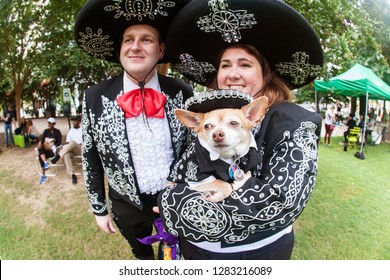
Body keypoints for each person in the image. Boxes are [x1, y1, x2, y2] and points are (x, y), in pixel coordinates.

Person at [157, 0, 323, 260]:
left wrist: (170, 204)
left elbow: (281, 203)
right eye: (225, 65)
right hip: (194, 252)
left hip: (256, 255)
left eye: (245, 65)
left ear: (265, 73)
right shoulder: (210, 118)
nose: (233, 74)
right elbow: (184, 172)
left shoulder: (294, 122)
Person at [74, 0, 193, 259]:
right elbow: (90, 157)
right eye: (128, 40)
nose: (135, 46)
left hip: (174, 198)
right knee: (141, 256)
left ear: (161, 50)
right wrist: (99, 209)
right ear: (120, 50)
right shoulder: (94, 96)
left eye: (146, 40)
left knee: (175, 255)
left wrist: (184, 190)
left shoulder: (182, 92)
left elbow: (192, 149)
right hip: (125, 205)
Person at [51, 115, 82, 185]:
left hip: (80, 148)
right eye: (73, 121)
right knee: (66, 155)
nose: (74, 122)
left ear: (79, 122)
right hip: (71, 149)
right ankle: (73, 175)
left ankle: (58, 156)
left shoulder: (83, 130)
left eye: (75, 121)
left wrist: (72, 144)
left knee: (73, 142)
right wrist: (68, 146)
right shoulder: (71, 131)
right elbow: (68, 142)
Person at [37, 117, 62, 184]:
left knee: (42, 148)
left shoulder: (57, 132)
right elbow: (42, 140)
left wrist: (53, 147)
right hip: (45, 151)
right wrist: (41, 142)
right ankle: (44, 171)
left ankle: (44, 172)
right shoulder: (46, 131)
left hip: (52, 151)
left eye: (50, 123)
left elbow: (59, 142)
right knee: (40, 151)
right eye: (48, 122)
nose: (49, 124)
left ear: (54, 124)